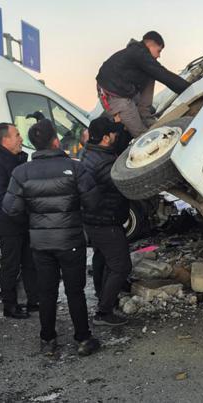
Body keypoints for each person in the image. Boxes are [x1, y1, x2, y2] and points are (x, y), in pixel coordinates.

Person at [2, 119, 101, 357]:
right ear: (55, 140)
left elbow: (10, 208)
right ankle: (83, 338)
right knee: (75, 291)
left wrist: (32, 218)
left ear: (34, 144)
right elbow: (93, 203)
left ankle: (48, 340)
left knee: (46, 292)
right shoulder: (75, 168)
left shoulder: (21, 172)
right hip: (71, 241)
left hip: (41, 243)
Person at [0, 123, 39, 319]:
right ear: (5, 140)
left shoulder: (16, 158)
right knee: (11, 266)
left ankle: (34, 301)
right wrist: (24, 204)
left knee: (30, 263)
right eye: (17, 135)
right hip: (8, 224)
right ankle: (10, 306)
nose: (21, 138)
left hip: (22, 221)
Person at [81, 117, 132, 327]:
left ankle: (103, 295)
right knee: (121, 265)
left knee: (102, 259)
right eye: (113, 134)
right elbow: (123, 183)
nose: (116, 136)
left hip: (95, 220)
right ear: (104, 138)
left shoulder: (90, 152)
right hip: (105, 221)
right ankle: (104, 311)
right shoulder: (105, 163)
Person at [96, 31, 191, 137]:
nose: (159, 55)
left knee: (151, 73)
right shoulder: (138, 54)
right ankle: (145, 129)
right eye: (158, 51)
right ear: (150, 44)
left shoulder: (137, 53)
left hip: (123, 89)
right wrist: (189, 89)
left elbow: (158, 72)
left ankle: (145, 114)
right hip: (114, 97)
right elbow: (163, 74)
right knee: (142, 135)